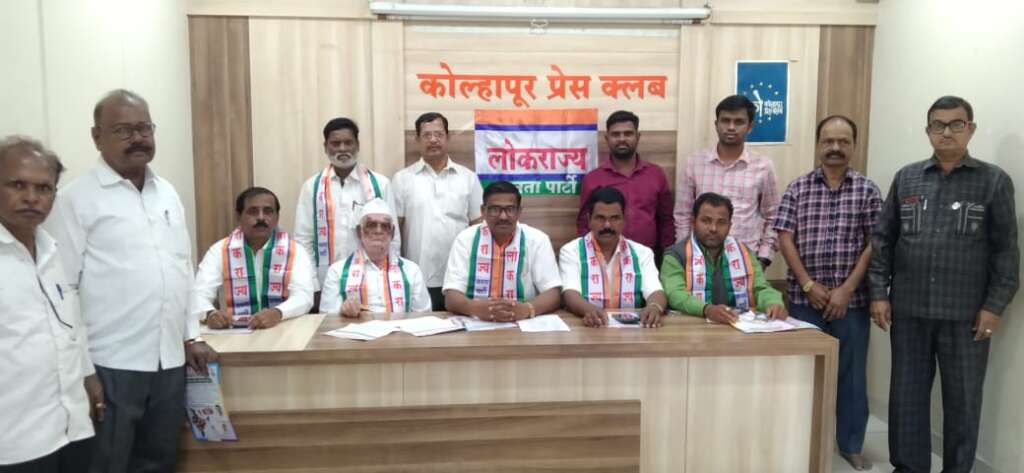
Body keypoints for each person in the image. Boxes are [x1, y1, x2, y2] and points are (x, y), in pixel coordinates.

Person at [45, 89, 217, 473]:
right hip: (111, 363)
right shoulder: (75, 200)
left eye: (144, 128)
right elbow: (62, 292)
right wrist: (83, 369)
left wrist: (191, 335)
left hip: (169, 361)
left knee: (159, 462)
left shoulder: (167, 193)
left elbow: (182, 267)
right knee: (107, 463)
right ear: (97, 137)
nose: (137, 138)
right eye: (123, 130)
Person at [869, 96, 1019, 473]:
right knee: (906, 399)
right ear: (928, 131)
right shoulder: (907, 178)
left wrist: (994, 306)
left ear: (971, 129)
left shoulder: (993, 181)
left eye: (956, 124)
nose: (946, 132)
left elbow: (1006, 251)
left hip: (966, 316)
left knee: (963, 402)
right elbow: (883, 239)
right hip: (910, 312)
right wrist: (879, 294)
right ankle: (909, 467)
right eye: (938, 125)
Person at [773, 116, 882, 471]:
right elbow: (785, 237)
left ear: (854, 145)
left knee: (851, 376)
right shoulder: (798, 188)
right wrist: (808, 284)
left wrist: (846, 289)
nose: (835, 148)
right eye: (828, 141)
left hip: (852, 302)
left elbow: (875, 243)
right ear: (818, 144)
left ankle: (850, 444)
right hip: (805, 301)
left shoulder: (867, 190)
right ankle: (801, 442)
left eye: (843, 141)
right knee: (803, 376)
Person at [0, 137, 103, 472]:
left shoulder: (50, 250)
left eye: (44, 188)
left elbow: (70, 323)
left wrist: (88, 375)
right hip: (14, 442)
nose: (32, 197)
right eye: (18, 185)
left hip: (69, 426)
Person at [674, 95, 780, 268]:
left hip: (746, 260)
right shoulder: (694, 163)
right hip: (700, 260)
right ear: (716, 125)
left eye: (739, 122)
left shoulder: (763, 166)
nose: (731, 127)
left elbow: (774, 216)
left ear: (750, 126)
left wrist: (763, 258)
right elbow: (683, 214)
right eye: (725, 121)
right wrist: (685, 254)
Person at [294, 117, 400, 292]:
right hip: (324, 280)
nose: (342, 148)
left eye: (348, 143)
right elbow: (303, 240)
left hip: (371, 280)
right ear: (326, 147)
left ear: (357, 145)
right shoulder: (311, 187)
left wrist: (389, 278)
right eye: (335, 143)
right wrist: (312, 285)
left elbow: (392, 238)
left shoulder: (380, 185)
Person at [393, 112, 484, 310]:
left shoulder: (468, 178)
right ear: (417, 140)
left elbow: (478, 227)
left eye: (438, 134)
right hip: (417, 276)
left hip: (459, 276)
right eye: (426, 135)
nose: (433, 140)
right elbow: (394, 230)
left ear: (447, 137)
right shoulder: (402, 179)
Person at [191, 187, 314, 330]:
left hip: (284, 329)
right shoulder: (219, 250)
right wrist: (209, 314)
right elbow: (198, 295)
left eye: (268, 211)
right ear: (239, 216)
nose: (261, 217)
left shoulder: (295, 250)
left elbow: (304, 296)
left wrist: (278, 313)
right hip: (234, 333)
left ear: (277, 217)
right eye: (253, 211)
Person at [443, 180, 561, 321]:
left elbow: (553, 293)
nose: (503, 216)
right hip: (475, 321)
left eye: (510, 209)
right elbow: (451, 297)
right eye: (495, 209)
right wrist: (475, 308)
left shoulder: (537, 240)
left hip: (523, 322)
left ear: (519, 212)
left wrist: (526, 309)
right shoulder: (465, 239)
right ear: (483, 211)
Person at [661, 192, 786, 322]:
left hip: (736, 326)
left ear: (730, 226)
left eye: (721, 222)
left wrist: (773, 303)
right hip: (691, 327)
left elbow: (760, 288)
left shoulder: (744, 253)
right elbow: (675, 294)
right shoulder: (675, 255)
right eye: (706, 221)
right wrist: (706, 309)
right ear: (693, 222)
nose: (713, 228)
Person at [561, 186, 667, 328]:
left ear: (624, 220)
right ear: (589, 219)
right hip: (590, 328)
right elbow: (570, 293)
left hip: (632, 332)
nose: (607, 225)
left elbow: (655, 291)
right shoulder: (571, 251)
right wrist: (589, 310)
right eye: (600, 218)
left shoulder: (642, 253)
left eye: (615, 218)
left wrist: (654, 307)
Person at [576, 110, 674, 257]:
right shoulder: (593, 179)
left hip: (648, 257)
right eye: (616, 134)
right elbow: (584, 223)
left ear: (638, 137)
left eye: (628, 134)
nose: (622, 139)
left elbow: (666, 220)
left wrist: (667, 256)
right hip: (605, 257)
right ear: (607, 138)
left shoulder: (656, 174)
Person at [321, 198, 431, 316]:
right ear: (359, 231)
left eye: (385, 226)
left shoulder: (412, 271)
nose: (378, 231)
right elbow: (326, 317)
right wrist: (343, 311)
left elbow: (424, 315)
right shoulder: (337, 272)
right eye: (371, 225)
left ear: (392, 232)